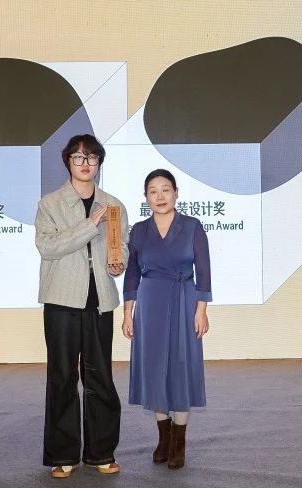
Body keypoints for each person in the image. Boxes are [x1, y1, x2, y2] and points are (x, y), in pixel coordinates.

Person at [34, 134, 128, 479]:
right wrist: (90, 225)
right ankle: (63, 454)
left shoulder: (114, 205)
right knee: (62, 376)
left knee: (100, 375)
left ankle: (101, 452)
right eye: (78, 157)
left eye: (91, 157)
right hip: (62, 300)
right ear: (68, 162)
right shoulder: (50, 203)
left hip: (100, 300)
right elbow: (48, 247)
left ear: (99, 162)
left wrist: (119, 262)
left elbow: (123, 245)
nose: (85, 163)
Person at [122, 168, 212, 469]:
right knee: (154, 367)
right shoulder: (138, 230)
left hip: (185, 299)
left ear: (176, 193)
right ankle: (163, 437)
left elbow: (204, 271)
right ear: (146, 197)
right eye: (153, 191)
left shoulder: (192, 226)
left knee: (181, 366)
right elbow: (132, 274)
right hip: (150, 303)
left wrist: (201, 309)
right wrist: (128, 313)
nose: (160, 196)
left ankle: (179, 442)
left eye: (165, 190)